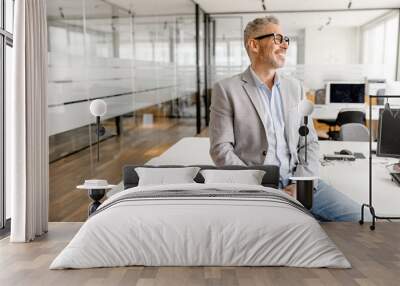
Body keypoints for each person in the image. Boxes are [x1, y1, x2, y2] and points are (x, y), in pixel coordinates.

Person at [209, 16, 367, 222]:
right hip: (257, 188)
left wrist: (303, 182)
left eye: (286, 40)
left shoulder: (296, 87)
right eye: (277, 38)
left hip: (300, 181)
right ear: (254, 45)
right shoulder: (227, 89)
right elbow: (221, 149)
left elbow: (308, 141)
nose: (285, 45)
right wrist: (255, 186)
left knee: (361, 219)